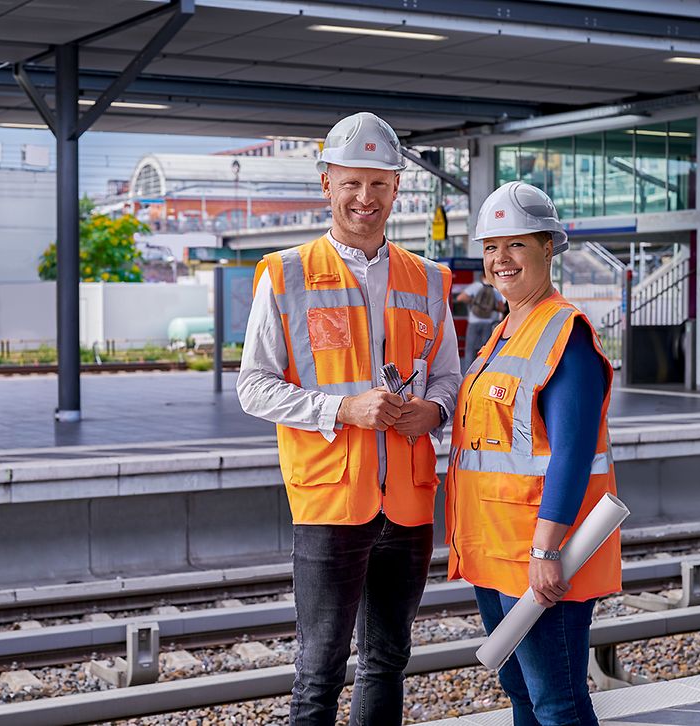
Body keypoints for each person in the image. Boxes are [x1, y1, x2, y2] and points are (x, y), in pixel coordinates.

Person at [237, 112, 461, 726]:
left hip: (409, 506)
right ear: (327, 184)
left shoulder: (429, 280)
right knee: (320, 671)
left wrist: (433, 410)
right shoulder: (286, 274)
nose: (366, 199)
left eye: (379, 184)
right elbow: (253, 387)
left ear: (396, 188)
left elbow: (448, 376)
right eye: (352, 183)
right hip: (331, 503)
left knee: (389, 661)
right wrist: (341, 408)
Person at [445, 182, 622, 726]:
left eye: (516, 244)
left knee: (558, 702)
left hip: (538, 554)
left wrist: (546, 551)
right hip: (493, 550)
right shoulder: (504, 331)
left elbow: (571, 452)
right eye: (492, 246)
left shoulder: (564, 333)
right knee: (523, 692)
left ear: (549, 247)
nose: (501, 259)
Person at [456, 277, 504, 372]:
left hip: (474, 322)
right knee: (485, 350)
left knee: (470, 349)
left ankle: (467, 373)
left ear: (482, 277)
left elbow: (460, 298)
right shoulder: (495, 290)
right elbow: (501, 308)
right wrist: (491, 307)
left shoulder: (475, 286)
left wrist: (473, 302)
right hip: (488, 323)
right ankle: (480, 372)